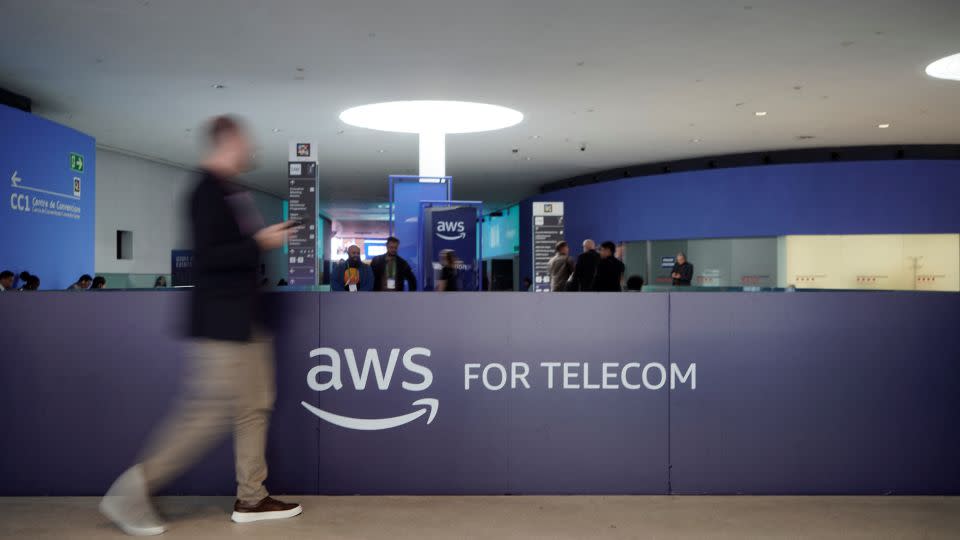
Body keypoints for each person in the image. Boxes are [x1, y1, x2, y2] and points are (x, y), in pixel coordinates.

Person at [100, 115, 301, 536]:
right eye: (245, 141)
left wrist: (258, 242)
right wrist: (261, 242)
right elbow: (209, 257)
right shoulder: (205, 191)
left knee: (255, 404)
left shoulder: (229, 191)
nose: (251, 148)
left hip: (245, 320)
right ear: (227, 141)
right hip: (222, 321)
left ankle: (252, 496)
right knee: (207, 413)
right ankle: (130, 495)